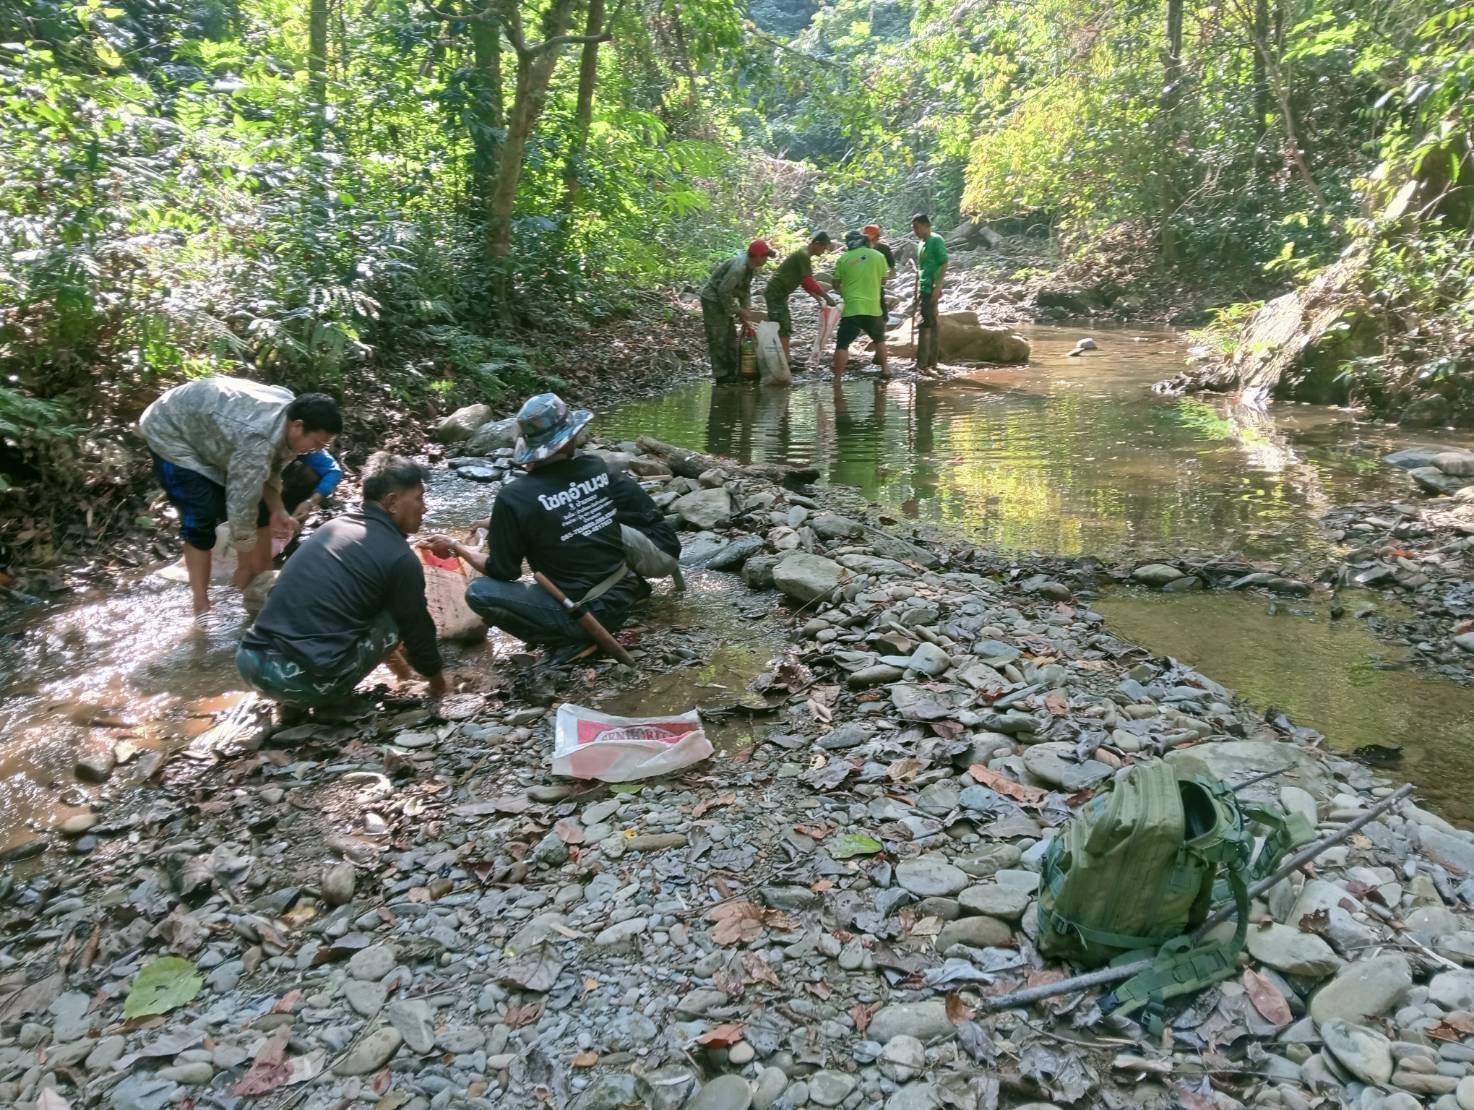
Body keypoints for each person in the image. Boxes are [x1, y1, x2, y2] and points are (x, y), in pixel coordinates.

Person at [423, 393, 678, 662]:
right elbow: (561, 509)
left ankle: (565, 638)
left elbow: (504, 571)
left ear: (529, 449)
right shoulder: (594, 467)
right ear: (568, 438)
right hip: (624, 593)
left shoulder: (514, 497)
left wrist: (455, 547)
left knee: (480, 592)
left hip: (587, 613)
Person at [237, 452, 447, 709]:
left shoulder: (333, 529)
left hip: (250, 662)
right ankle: (323, 697)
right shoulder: (400, 558)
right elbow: (417, 631)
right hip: (305, 683)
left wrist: (404, 675)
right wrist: (438, 684)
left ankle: (292, 702)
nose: (425, 508)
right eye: (419, 498)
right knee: (401, 614)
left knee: (368, 603)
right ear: (392, 503)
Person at [139, 377, 341, 621]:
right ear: (298, 426)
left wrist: (277, 509)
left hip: (211, 433)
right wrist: (242, 562)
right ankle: (201, 608)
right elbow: (242, 502)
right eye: (316, 443)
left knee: (251, 503)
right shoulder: (258, 439)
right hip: (171, 431)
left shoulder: (288, 421)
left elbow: (269, 472)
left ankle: (257, 584)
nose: (317, 450)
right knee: (201, 515)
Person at [700, 240, 776, 382]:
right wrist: (737, 310)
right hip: (712, 300)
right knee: (718, 337)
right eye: (765, 256)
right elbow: (723, 291)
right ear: (757, 256)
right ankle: (721, 375)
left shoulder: (750, 268)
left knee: (730, 336)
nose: (766, 260)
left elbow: (745, 291)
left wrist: (745, 311)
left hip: (724, 300)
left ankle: (732, 371)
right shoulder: (739, 268)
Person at [763, 232, 836, 366]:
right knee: (783, 326)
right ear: (816, 244)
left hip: (780, 293)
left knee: (782, 324)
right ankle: (783, 361)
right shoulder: (803, 255)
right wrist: (826, 296)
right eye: (823, 248)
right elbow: (808, 281)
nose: (823, 251)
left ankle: (784, 359)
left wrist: (817, 298)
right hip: (776, 292)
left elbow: (803, 280)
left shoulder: (804, 255)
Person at [831, 230, 890, 381]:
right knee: (879, 339)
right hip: (873, 307)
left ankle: (837, 378)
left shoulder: (844, 258)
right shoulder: (879, 256)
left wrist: (846, 291)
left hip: (852, 308)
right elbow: (884, 281)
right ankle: (886, 370)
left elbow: (835, 284)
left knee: (842, 343)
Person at [913, 213, 950, 373]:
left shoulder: (936, 240)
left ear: (926, 225)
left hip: (932, 287)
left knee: (926, 323)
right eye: (913, 228)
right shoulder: (921, 243)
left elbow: (944, 263)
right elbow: (922, 268)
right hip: (924, 287)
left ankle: (923, 363)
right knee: (931, 322)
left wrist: (938, 287)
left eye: (917, 227)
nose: (915, 231)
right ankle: (930, 362)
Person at [862, 223, 898, 321]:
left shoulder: (884, 249)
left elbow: (893, 271)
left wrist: (882, 278)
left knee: (881, 309)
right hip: (863, 284)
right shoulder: (861, 251)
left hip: (876, 285)